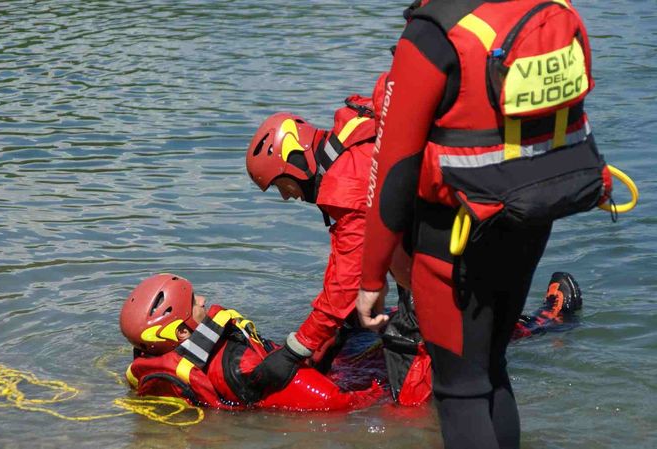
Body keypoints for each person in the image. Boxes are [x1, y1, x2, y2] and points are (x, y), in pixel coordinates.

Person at [356, 1, 611, 448]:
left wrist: (371, 275)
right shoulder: (548, 7)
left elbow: (393, 169)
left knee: (460, 388)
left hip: (453, 233)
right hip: (531, 213)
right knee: (492, 368)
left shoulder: (432, 32)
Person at [244, 87, 432, 403]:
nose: (286, 196)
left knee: (408, 372)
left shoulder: (347, 185)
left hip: (447, 253)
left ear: (295, 161)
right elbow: (345, 260)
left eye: (281, 185)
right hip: (442, 237)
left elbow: (346, 283)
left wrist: (294, 351)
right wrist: (322, 337)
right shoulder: (347, 149)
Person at [119, 273, 382, 411]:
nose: (202, 300)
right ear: (182, 334)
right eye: (192, 302)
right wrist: (380, 392)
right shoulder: (239, 364)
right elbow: (337, 402)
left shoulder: (151, 366)